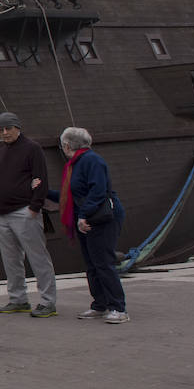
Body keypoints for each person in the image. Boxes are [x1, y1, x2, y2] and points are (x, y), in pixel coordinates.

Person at [52, 126, 128, 324]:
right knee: (92, 264)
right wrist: (42, 191)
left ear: (67, 145)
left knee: (103, 262)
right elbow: (70, 195)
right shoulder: (77, 164)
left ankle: (118, 307)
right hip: (88, 219)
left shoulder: (91, 161)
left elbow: (98, 191)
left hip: (102, 218)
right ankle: (100, 305)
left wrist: (83, 215)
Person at [0, 111, 57, 318]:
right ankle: (18, 299)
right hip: (1, 214)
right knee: (11, 260)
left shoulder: (32, 149)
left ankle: (48, 302)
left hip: (24, 211)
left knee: (38, 257)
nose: (4, 133)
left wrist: (35, 207)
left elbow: (41, 178)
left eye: (8, 128)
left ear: (17, 127)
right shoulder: (0, 153)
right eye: (0, 130)